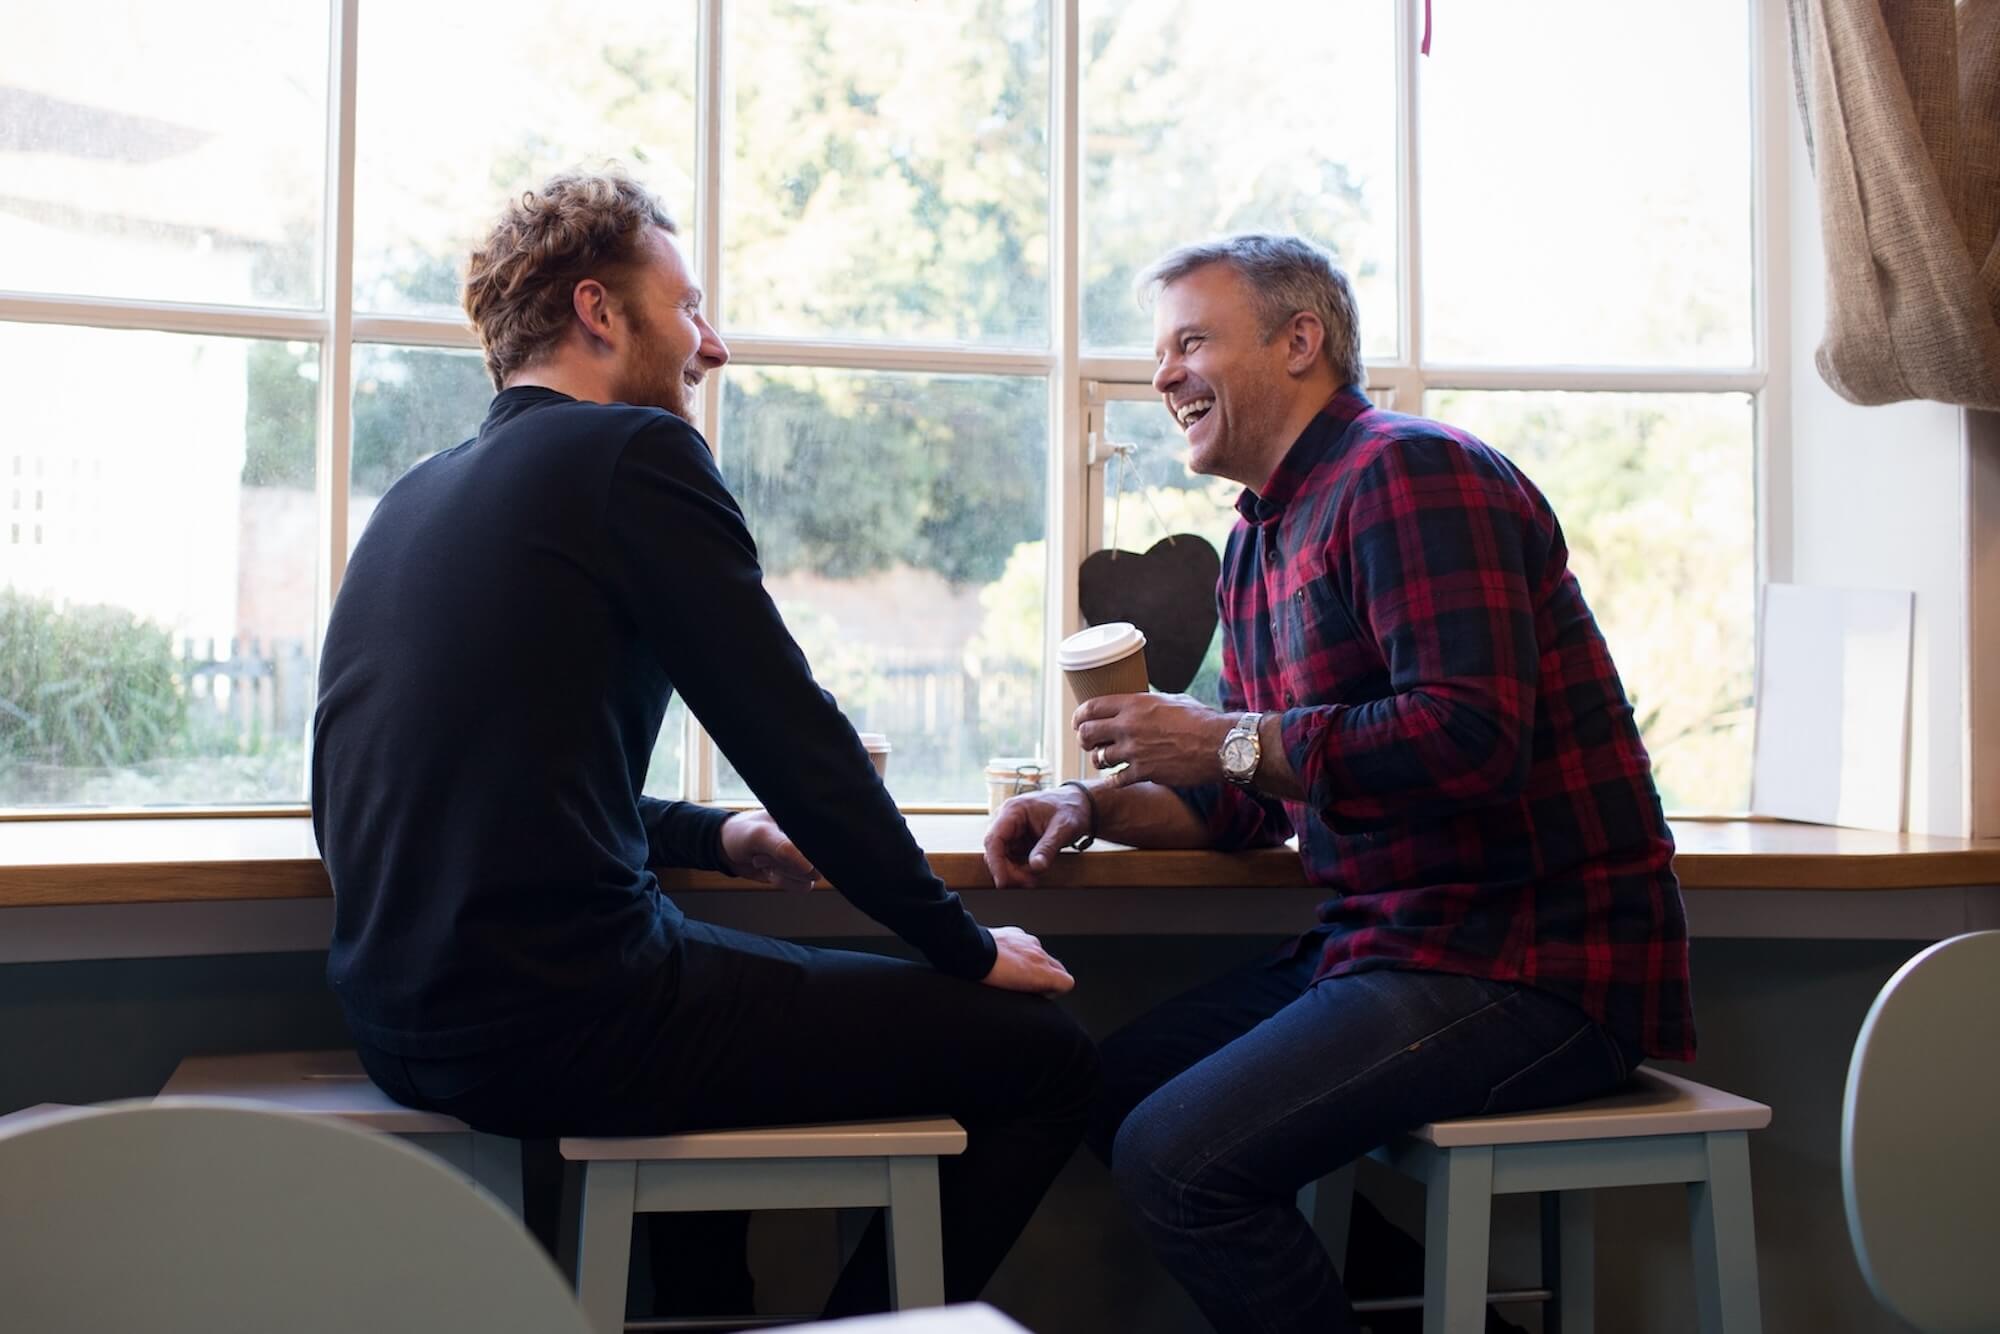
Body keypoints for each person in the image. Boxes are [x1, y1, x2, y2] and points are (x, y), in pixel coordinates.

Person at [312, 167, 1097, 1318]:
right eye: (685, 307)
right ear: (597, 311)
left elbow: (462, 783)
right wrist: (958, 940)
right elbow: (792, 731)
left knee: (717, 995)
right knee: (1050, 1059)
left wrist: (718, 835)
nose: (711, 344)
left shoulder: (417, 493)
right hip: (565, 1015)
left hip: (397, 1020)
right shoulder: (631, 453)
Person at [985, 234, 1694, 1334]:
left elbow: (1467, 738)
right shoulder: (1256, 542)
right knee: (1104, 1086)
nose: (1160, 374)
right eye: (1156, 351)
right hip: (1385, 946)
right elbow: (1246, 791)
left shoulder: (1408, 473)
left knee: (1178, 1164)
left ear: (1299, 341)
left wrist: (1218, 737)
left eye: (1190, 341)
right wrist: (1089, 806)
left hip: (1528, 960)